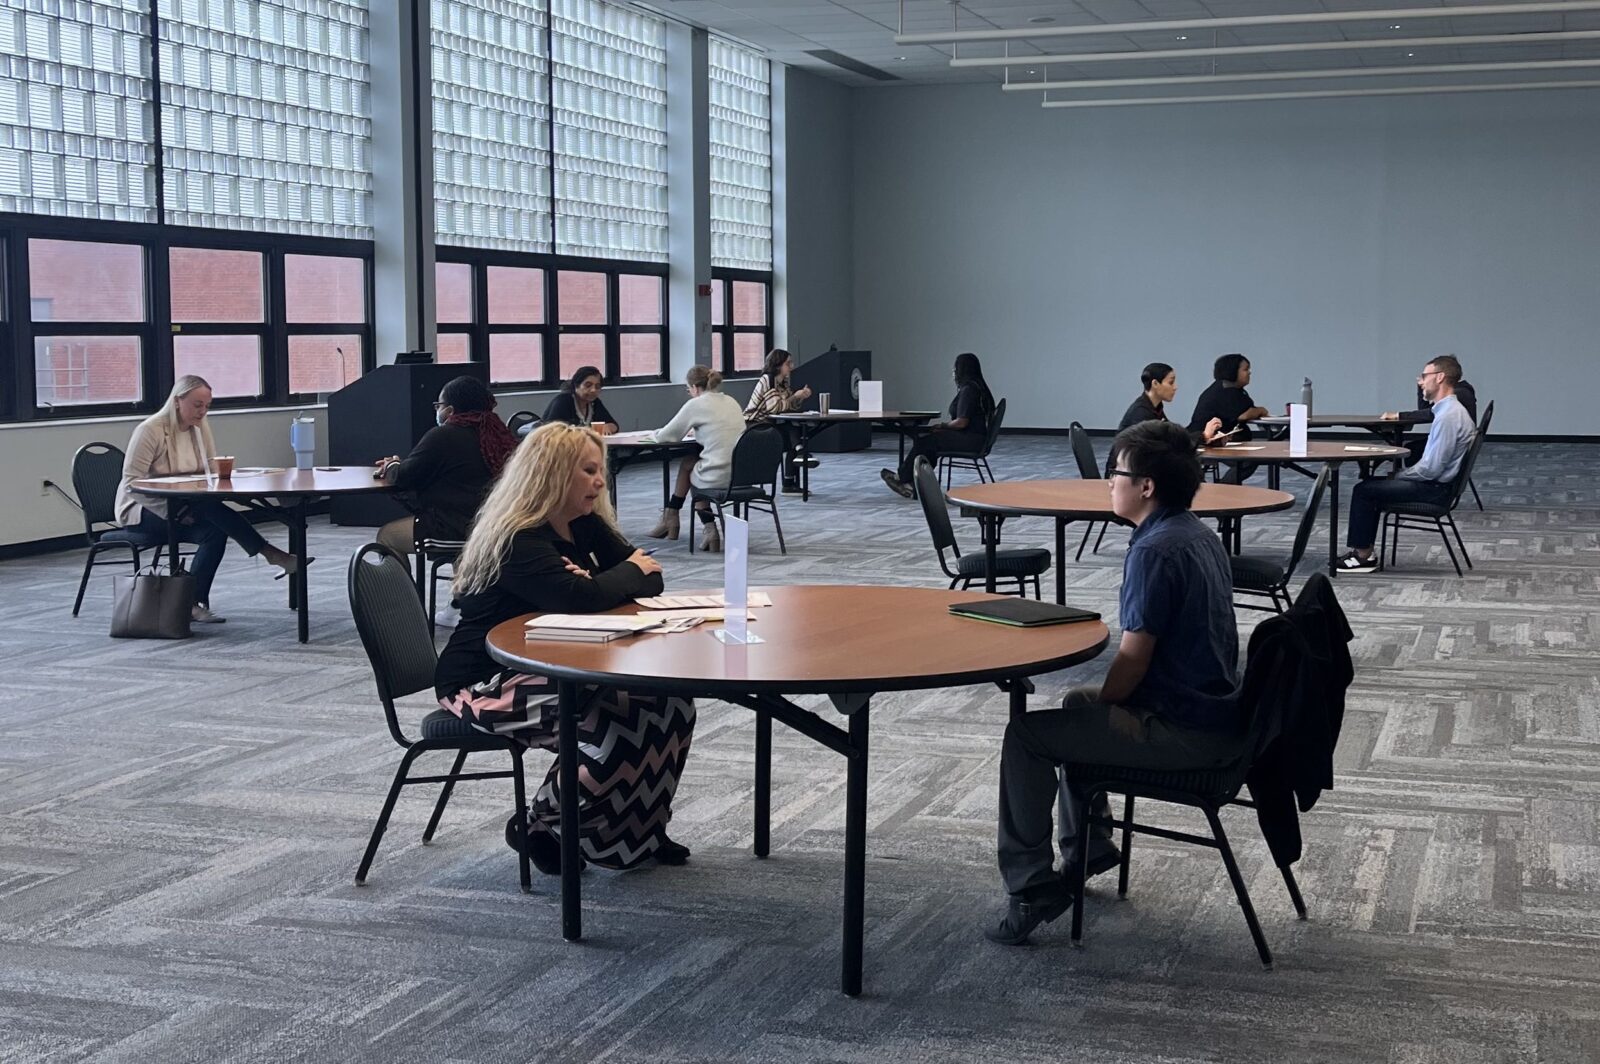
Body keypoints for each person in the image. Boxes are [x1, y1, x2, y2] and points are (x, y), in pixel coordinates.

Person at [987, 420, 1243, 945]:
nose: (1109, 483)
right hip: (1219, 710)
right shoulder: (1196, 533)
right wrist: (1096, 706)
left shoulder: (1153, 551)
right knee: (1077, 701)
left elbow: (1132, 660)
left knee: (1027, 737)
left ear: (1146, 486)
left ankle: (1032, 887)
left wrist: (1103, 708)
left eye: (1115, 473)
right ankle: (1092, 846)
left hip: (1184, 731)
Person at [433, 422, 696, 873]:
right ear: (552, 474)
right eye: (589, 471)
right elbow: (581, 599)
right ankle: (543, 823)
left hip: (558, 661)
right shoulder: (517, 539)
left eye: (600, 470)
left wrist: (601, 582)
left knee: (671, 703)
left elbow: (651, 577)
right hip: (486, 681)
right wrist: (604, 583)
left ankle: (641, 831)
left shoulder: (583, 525)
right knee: (611, 721)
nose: (600, 481)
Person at [114, 375, 298, 625]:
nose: (203, 412)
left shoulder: (200, 428)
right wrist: (171, 512)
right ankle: (270, 553)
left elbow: (209, 472)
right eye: (197, 405)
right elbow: (131, 483)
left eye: (207, 406)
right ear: (178, 401)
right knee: (210, 509)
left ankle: (191, 602)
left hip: (189, 503)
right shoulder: (150, 430)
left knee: (214, 530)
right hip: (144, 509)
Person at [1336, 355, 1476, 575]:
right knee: (1372, 486)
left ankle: (1362, 556)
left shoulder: (1449, 416)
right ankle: (1364, 552)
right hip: (1438, 486)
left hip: (1435, 490)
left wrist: (1401, 475)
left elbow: (1431, 469)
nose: (1421, 381)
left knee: (1364, 490)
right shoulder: (1448, 411)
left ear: (1439, 377)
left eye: (1425, 376)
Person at [374, 375, 519, 556]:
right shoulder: (501, 436)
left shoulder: (443, 436)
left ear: (450, 411)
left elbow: (405, 476)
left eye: (438, 406)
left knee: (387, 536)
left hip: (456, 528)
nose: (437, 410)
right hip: (498, 527)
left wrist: (392, 464)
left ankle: (402, 586)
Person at [645, 365, 746, 553]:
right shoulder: (731, 401)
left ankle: (698, 525)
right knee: (692, 462)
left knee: (691, 468)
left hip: (719, 477)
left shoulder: (696, 404)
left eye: (688, 390)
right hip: (742, 475)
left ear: (694, 388)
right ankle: (674, 518)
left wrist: (654, 433)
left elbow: (668, 436)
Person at [880, 352, 995, 499]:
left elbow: (961, 422)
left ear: (962, 369)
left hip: (971, 440)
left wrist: (944, 426)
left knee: (926, 442)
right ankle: (915, 482)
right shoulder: (979, 387)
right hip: (977, 439)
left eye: (955, 368)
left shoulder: (969, 390)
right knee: (930, 443)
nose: (953, 372)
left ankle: (903, 478)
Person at [1188, 353, 1269, 482]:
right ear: (1232, 371)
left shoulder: (1236, 389)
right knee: (1247, 461)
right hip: (1205, 441)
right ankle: (1224, 489)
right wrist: (1261, 410)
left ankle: (1226, 489)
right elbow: (1244, 415)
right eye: (1245, 369)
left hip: (1222, 440)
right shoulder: (1224, 390)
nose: (1249, 373)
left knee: (1249, 458)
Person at [743, 348, 814, 492]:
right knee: (792, 432)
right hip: (755, 426)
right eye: (788, 363)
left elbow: (788, 407)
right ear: (778, 365)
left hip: (769, 425)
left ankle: (791, 478)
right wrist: (795, 397)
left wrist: (800, 396)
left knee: (796, 432)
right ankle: (800, 453)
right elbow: (774, 407)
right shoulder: (768, 379)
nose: (792, 366)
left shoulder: (783, 383)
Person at [1383, 359, 1478, 464]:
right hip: (1452, 445)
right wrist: (1422, 388)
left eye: (1425, 376)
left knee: (1412, 449)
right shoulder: (1459, 392)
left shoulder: (1459, 394)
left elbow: (1429, 413)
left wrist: (1399, 415)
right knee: (1411, 448)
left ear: (1440, 377)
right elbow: (1425, 410)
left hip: (1452, 448)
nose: (1424, 379)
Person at [1119, 361, 1225, 443]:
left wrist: (1204, 435)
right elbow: (1166, 442)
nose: (1175, 387)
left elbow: (1172, 435)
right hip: (1128, 470)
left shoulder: (1155, 407)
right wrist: (1203, 436)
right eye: (1171, 382)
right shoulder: (1141, 412)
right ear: (1155, 384)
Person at [542, 365, 618, 435]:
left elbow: (614, 425)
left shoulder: (594, 402)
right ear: (576, 385)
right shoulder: (563, 401)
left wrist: (608, 426)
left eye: (597, 387)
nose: (593, 390)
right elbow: (552, 431)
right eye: (588, 385)